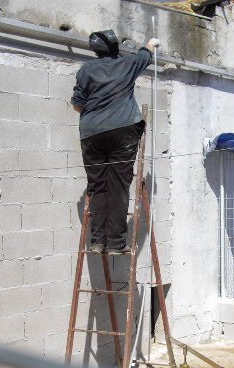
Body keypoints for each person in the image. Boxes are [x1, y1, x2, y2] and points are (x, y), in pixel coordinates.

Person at [71, 30, 160, 255]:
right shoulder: (127, 64)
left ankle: (97, 241)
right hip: (122, 131)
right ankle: (116, 243)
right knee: (118, 185)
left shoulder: (85, 70)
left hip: (91, 134)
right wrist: (152, 42)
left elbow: (77, 105)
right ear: (115, 47)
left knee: (98, 187)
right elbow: (145, 54)